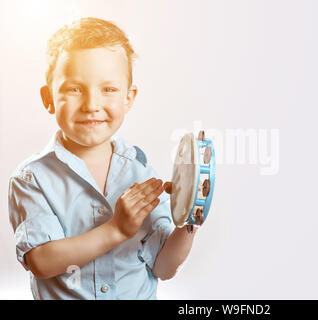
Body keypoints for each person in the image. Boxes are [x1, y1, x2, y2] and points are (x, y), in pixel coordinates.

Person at [8, 17, 197, 299]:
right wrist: (116, 230)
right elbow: (42, 262)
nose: (91, 105)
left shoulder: (141, 172)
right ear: (48, 98)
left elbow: (164, 267)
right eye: (74, 89)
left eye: (108, 89)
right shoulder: (32, 178)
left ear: (129, 98)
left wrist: (189, 221)